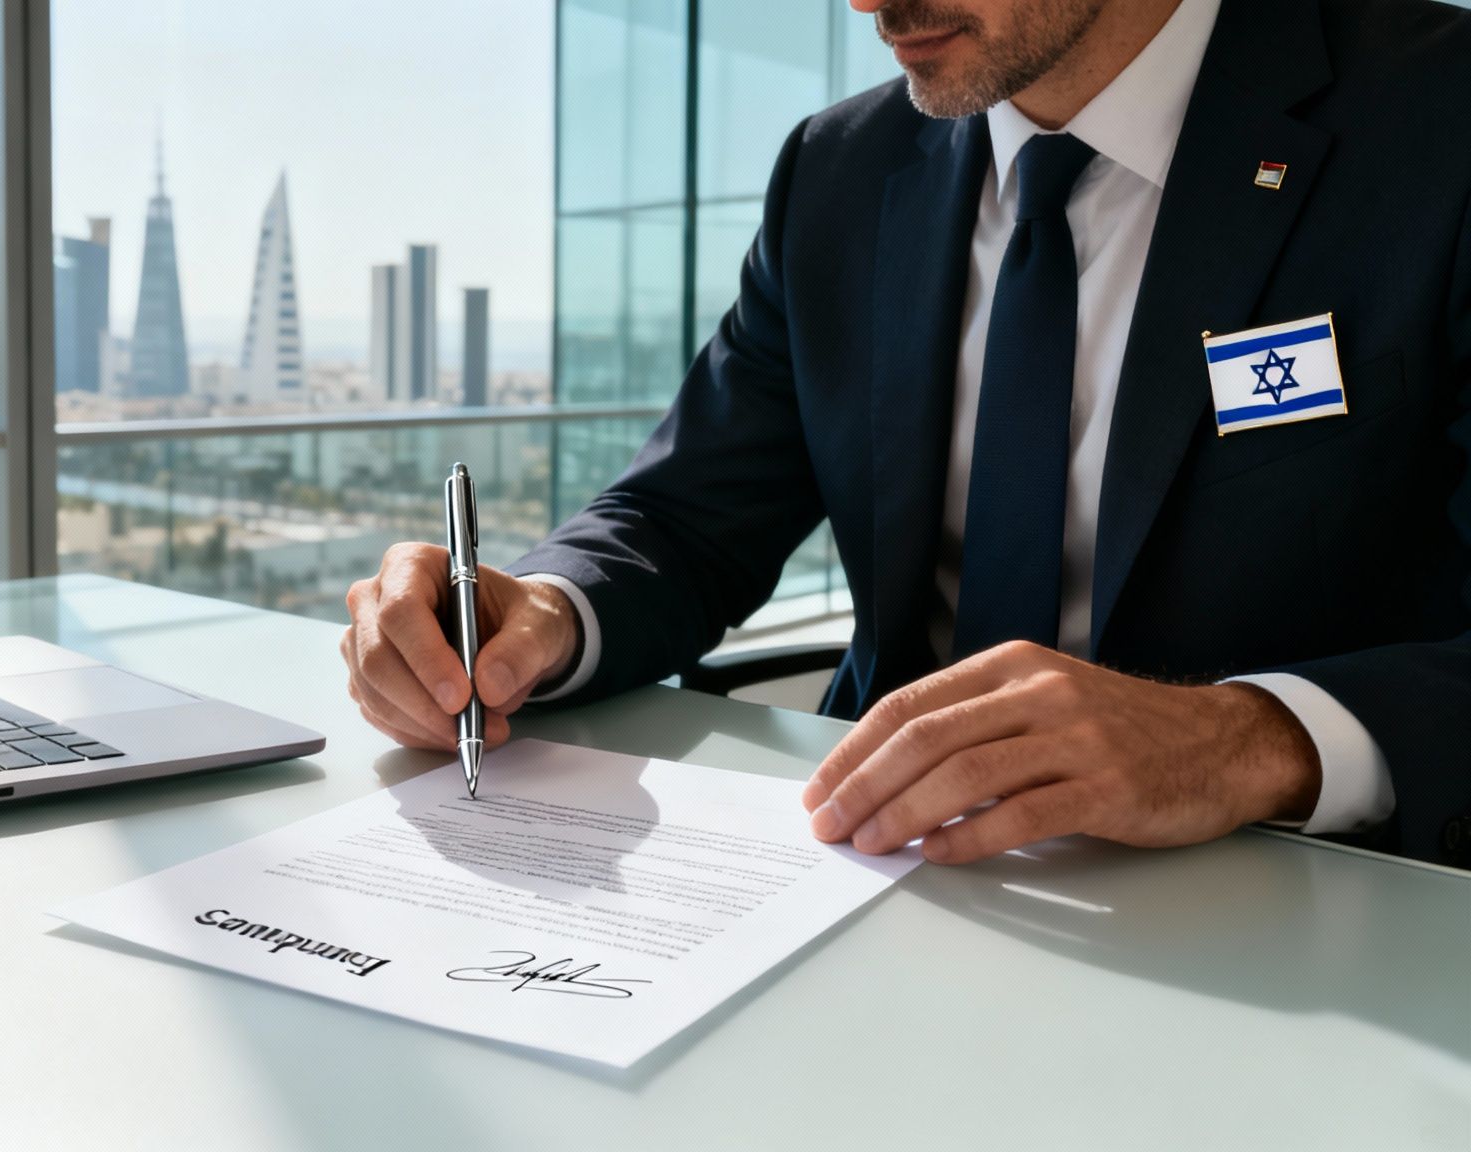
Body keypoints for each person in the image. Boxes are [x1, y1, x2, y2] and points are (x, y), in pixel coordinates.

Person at [342, 0, 1471, 868]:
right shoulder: (838, 172)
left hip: (1310, 904)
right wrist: (540, 613)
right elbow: (686, 514)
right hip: (868, 868)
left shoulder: (1437, 120)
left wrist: (1247, 739)